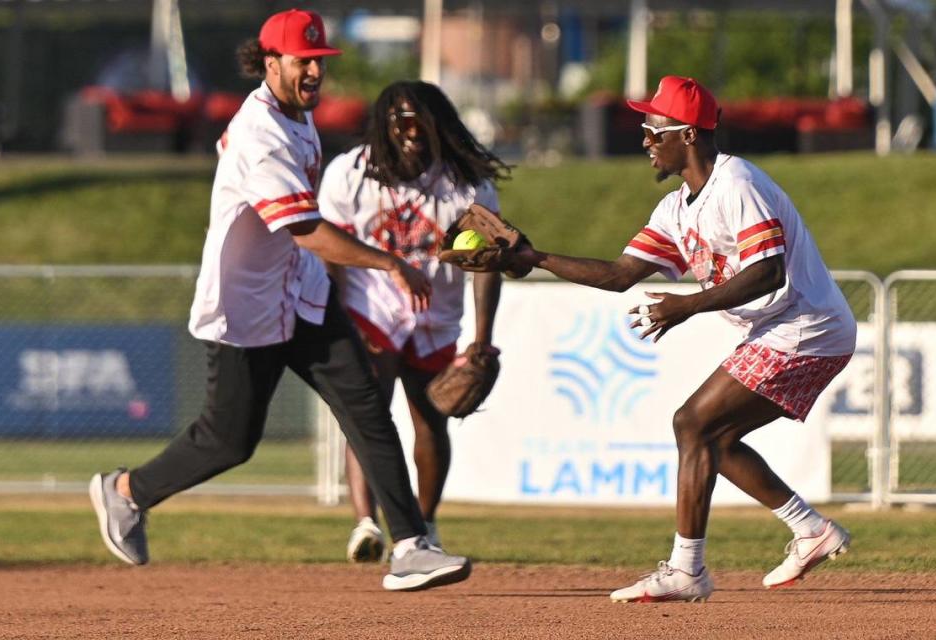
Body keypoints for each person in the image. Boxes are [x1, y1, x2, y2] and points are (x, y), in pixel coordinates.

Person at [88, 9, 472, 592]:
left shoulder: (294, 113)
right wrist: (389, 261)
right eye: (302, 60)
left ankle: (413, 545)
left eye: (319, 61)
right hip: (246, 308)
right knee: (230, 441)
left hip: (302, 296)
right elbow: (306, 230)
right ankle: (124, 492)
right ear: (270, 62)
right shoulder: (259, 133)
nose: (314, 70)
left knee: (367, 408)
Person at [510, 76, 855, 602]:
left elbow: (767, 272)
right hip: (781, 329)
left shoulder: (736, 184)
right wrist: (534, 258)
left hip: (808, 328)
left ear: (688, 135)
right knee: (710, 437)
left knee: (692, 423)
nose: (646, 141)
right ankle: (810, 530)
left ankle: (687, 570)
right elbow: (621, 272)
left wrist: (685, 306)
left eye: (654, 131)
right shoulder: (676, 208)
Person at [317, 80, 507, 561]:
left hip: (437, 316)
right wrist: (336, 317)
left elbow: (488, 264)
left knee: (430, 420)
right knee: (368, 415)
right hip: (370, 306)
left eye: (421, 120)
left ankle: (424, 524)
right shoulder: (350, 173)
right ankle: (366, 524)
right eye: (400, 120)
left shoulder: (464, 182)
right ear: (383, 124)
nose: (411, 130)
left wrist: (482, 339)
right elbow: (329, 253)